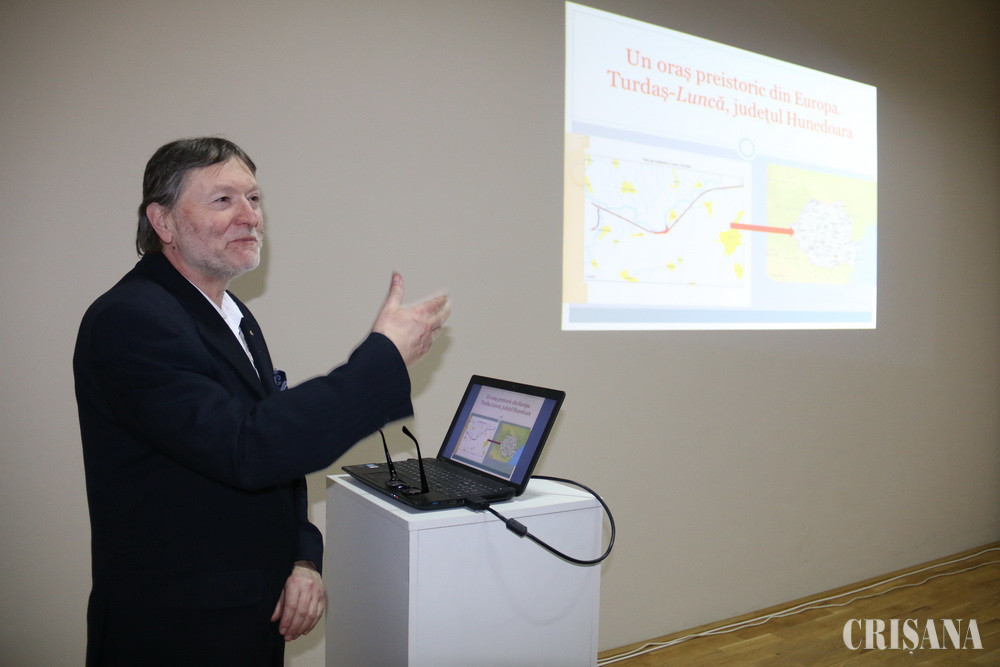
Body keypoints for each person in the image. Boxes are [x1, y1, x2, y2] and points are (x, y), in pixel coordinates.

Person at [73, 137, 450, 666]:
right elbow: (248, 446)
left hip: (246, 614)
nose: (250, 216)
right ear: (163, 222)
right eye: (222, 200)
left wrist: (302, 558)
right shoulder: (132, 320)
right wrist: (382, 359)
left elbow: (273, 445)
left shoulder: (232, 316)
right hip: (179, 631)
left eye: (253, 198)